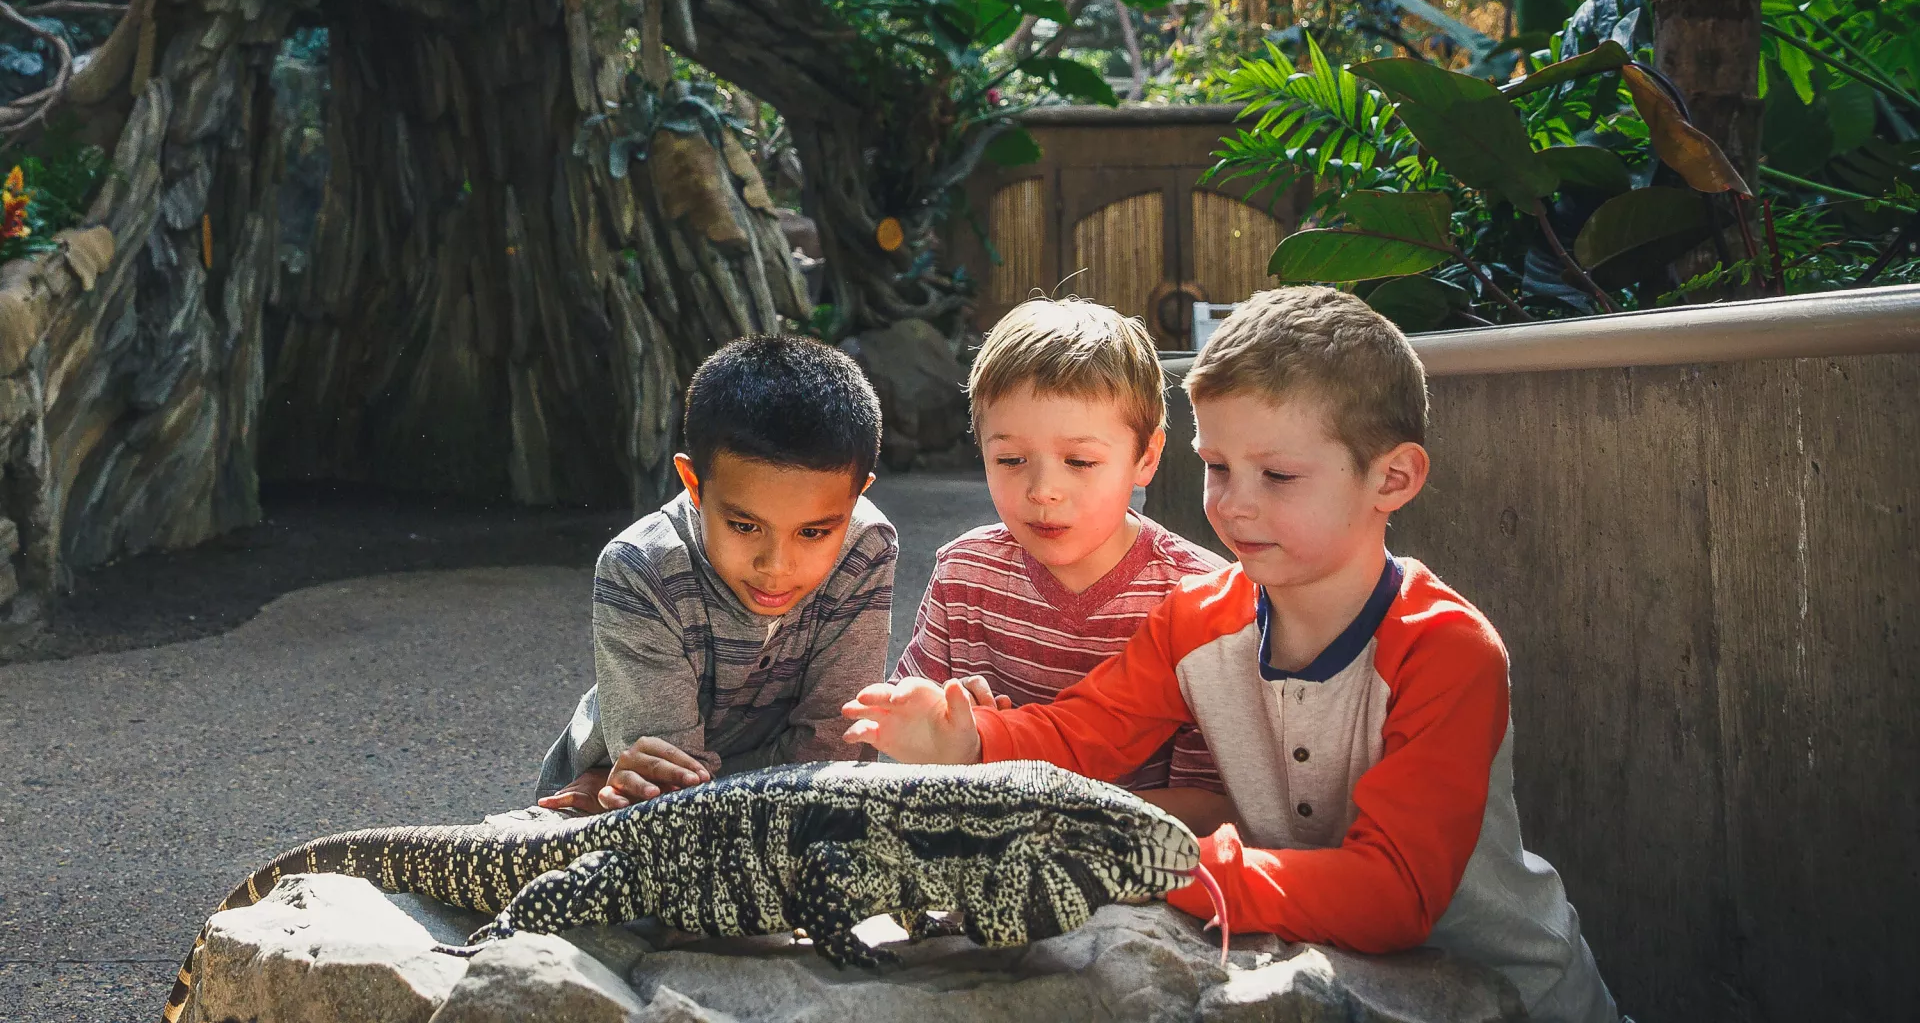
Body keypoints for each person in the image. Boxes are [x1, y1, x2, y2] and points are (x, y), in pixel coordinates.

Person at [842, 287, 1618, 1022]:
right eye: (1217, 468)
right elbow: (1083, 733)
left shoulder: (1445, 649)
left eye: (1276, 475)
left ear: (1393, 477)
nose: (1233, 503)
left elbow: (1395, 892)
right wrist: (967, 738)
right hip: (1317, 974)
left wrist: (1156, 863)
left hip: (1509, 993)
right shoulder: (1196, 617)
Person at [894, 297, 1232, 830]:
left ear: (1146, 456)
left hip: (1138, 880)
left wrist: (1026, 800)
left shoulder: (1201, 596)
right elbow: (900, 749)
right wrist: (937, 723)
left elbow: (1214, 808)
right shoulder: (964, 574)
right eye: (1010, 460)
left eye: (1079, 462)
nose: (1043, 490)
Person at [535, 334, 896, 814]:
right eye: (745, 525)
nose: (776, 566)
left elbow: (836, 753)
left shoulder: (865, 548)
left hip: (760, 808)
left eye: (812, 532)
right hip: (601, 805)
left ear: (855, 499)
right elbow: (669, 800)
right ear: (693, 484)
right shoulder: (640, 569)